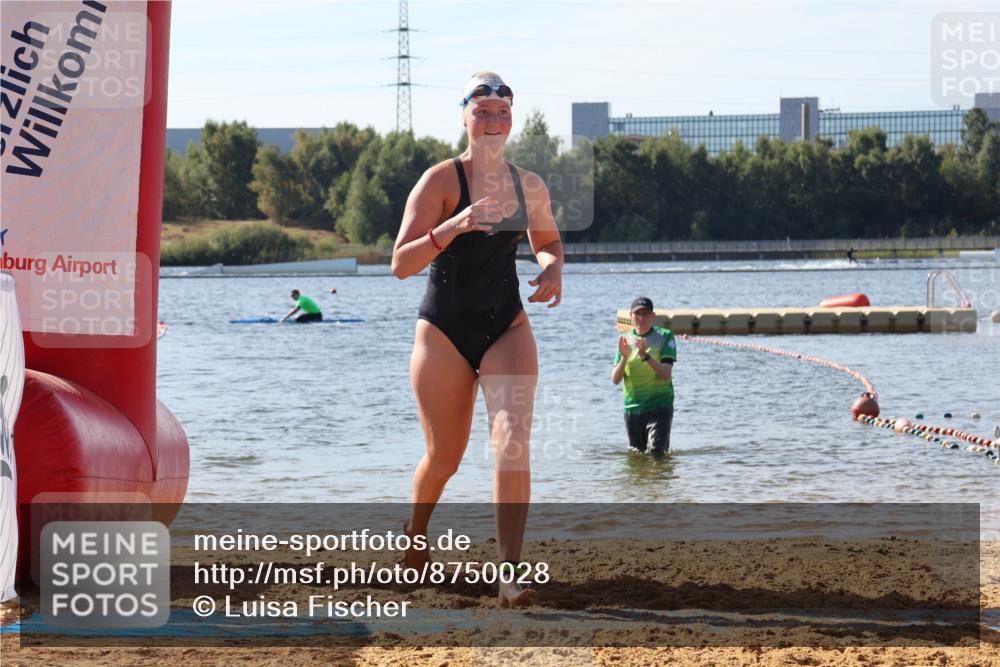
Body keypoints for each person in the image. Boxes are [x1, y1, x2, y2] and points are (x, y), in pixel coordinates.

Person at [391, 71, 563, 608]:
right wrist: (456, 225)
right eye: (483, 110)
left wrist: (553, 266)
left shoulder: (527, 184)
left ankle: (509, 573)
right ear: (464, 117)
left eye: (502, 111)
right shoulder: (441, 180)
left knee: (512, 444)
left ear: (511, 120)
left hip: (505, 327)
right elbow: (400, 263)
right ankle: (415, 539)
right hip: (442, 333)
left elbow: (548, 239)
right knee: (445, 456)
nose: (493, 120)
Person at [611, 297, 677, 456]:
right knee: (638, 457)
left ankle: (660, 480)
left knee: (656, 454)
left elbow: (666, 374)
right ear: (631, 316)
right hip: (633, 409)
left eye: (645, 314)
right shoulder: (625, 340)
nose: (641, 318)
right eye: (637, 314)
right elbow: (615, 379)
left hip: (660, 405)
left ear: (653, 316)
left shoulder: (664, 336)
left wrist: (645, 356)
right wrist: (624, 358)